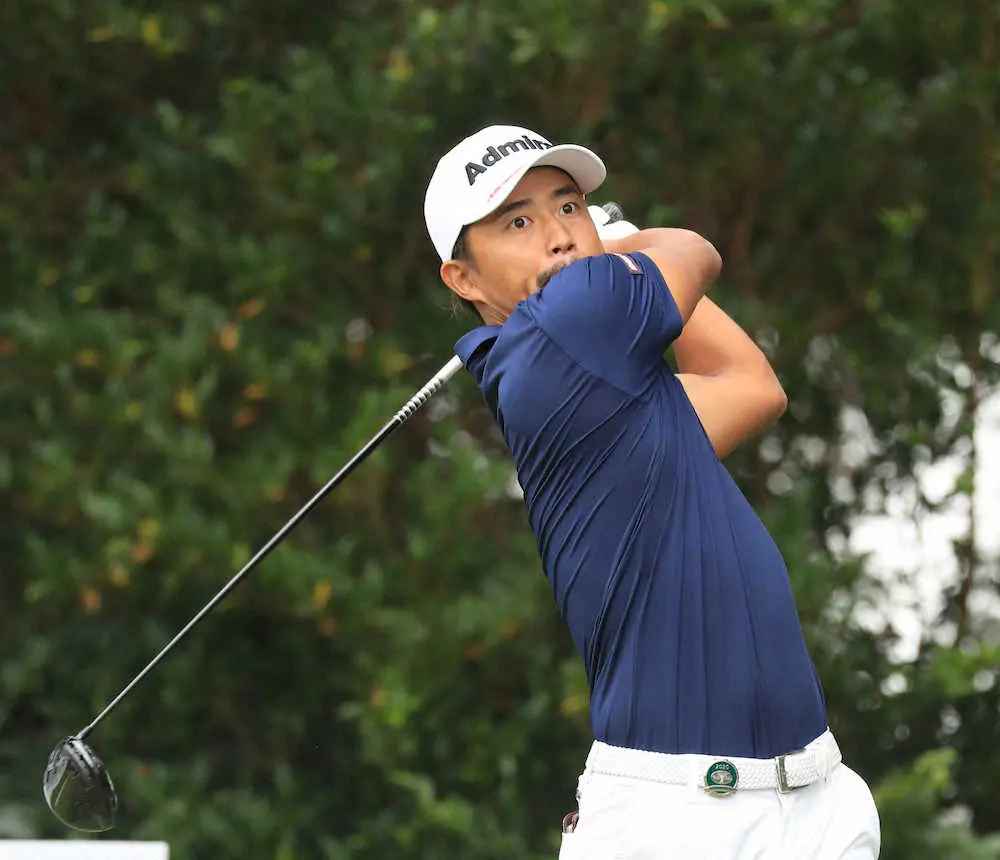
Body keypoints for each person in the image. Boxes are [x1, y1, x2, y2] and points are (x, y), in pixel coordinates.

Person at [423, 124, 881, 859]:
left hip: (814, 799)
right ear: (464, 280)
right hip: (678, 821)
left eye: (569, 207)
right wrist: (620, 240)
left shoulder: (599, 382)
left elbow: (749, 387)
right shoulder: (563, 331)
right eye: (518, 223)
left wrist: (613, 253)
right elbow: (695, 252)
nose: (560, 236)